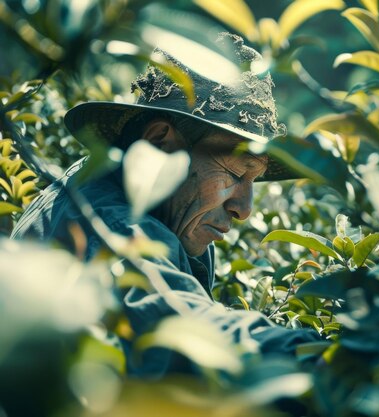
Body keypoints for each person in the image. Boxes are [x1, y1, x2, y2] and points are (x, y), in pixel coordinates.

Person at [10, 33, 319, 375]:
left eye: (253, 179)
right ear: (160, 142)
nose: (244, 209)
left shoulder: (113, 187)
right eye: (234, 172)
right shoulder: (116, 229)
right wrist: (327, 361)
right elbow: (188, 329)